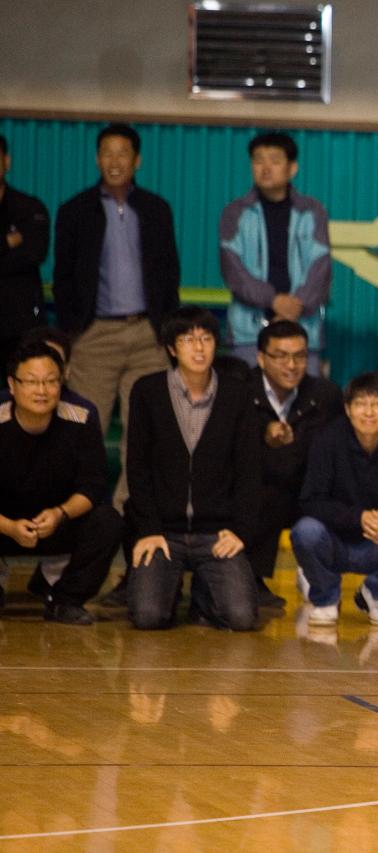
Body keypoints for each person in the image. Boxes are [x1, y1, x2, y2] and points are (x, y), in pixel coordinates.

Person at [53, 123, 180, 507]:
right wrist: (74, 331)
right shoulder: (75, 210)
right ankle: (77, 510)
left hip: (147, 334)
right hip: (95, 336)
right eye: (106, 152)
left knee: (143, 431)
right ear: (96, 158)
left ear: (137, 160)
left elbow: (169, 271)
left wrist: (165, 330)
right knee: (83, 426)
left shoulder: (156, 209)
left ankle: (128, 512)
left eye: (122, 153)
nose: (114, 161)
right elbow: (63, 275)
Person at [125, 307, 260, 631]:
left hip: (217, 532)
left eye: (206, 338)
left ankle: (203, 593)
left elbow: (249, 469)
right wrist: (147, 528)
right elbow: (138, 466)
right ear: (172, 348)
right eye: (188, 339)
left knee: (241, 617)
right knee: (147, 616)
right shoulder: (147, 391)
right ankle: (169, 591)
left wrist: (241, 529)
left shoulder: (238, 394)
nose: (198, 348)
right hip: (163, 532)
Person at [291, 372, 378, 627]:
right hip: (334, 539)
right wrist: (359, 518)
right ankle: (326, 598)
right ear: (347, 409)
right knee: (305, 531)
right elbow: (311, 500)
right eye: (360, 404)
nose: (369, 413)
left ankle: (376, 594)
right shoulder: (327, 439)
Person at [0, 341, 122, 623]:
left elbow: (93, 486)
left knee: (108, 521)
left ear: (62, 380)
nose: (42, 391)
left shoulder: (81, 415)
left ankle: (65, 598)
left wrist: (59, 514)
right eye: (31, 381)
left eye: (50, 381)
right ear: (12, 384)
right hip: (4, 523)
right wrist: (8, 526)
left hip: (55, 521)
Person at [245, 320, 342, 608]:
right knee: (265, 491)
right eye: (281, 356)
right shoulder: (239, 391)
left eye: (300, 356)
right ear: (261, 358)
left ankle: (318, 572)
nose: (292, 365)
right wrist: (264, 438)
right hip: (257, 489)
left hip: (307, 487)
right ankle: (251, 578)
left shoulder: (325, 395)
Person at [220, 132, 331, 376]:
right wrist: (273, 301)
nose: (265, 168)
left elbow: (320, 269)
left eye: (275, 160)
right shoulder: (235, 212)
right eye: (258, 160)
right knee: (246, 405)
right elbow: (234, 271)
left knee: (306, 407)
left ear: (292, 168)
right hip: (248, 335)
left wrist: (293, 309)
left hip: (303, 331)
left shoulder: (313, 212)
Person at [0, 134, 51, 369]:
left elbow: (34, 255)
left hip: (20, 323)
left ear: (7, 161)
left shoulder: (30, 207)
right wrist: (7, 241)